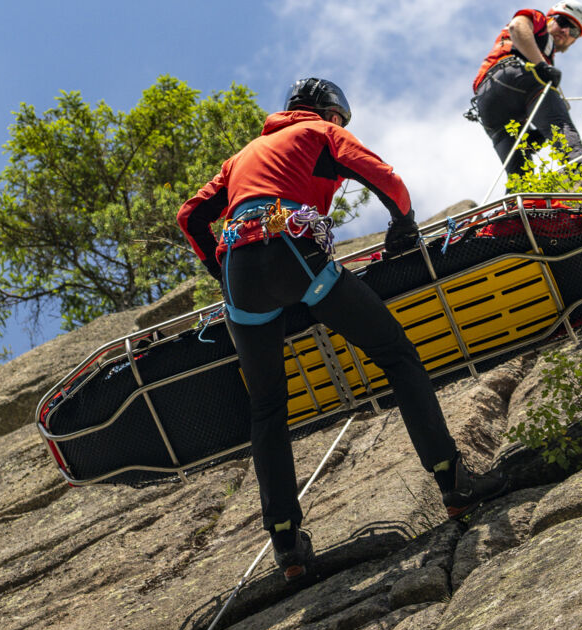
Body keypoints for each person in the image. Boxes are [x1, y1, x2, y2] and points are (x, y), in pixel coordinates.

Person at [177, 78, 506, 583]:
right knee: (397, 357)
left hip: (240, 279)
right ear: (331, 112)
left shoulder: (242, 157)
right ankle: (455, 484)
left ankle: (287, 546)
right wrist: (402, 224)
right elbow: (386, 179)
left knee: (266, 409)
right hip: (292, 251)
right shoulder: (318, 134)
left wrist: (220, 269)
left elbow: (191, 216)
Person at [469, 0, 582, 177]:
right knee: (561, 129)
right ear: (550, 19)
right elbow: (517, 27)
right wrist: (541, 65)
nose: (565, 31)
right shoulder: (538, 21)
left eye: (573, 31)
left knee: (520, 174)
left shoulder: (545, 57)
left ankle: (520, 200)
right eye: (563, 22)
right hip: (513, 75)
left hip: (487, 102)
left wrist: (537, 132)